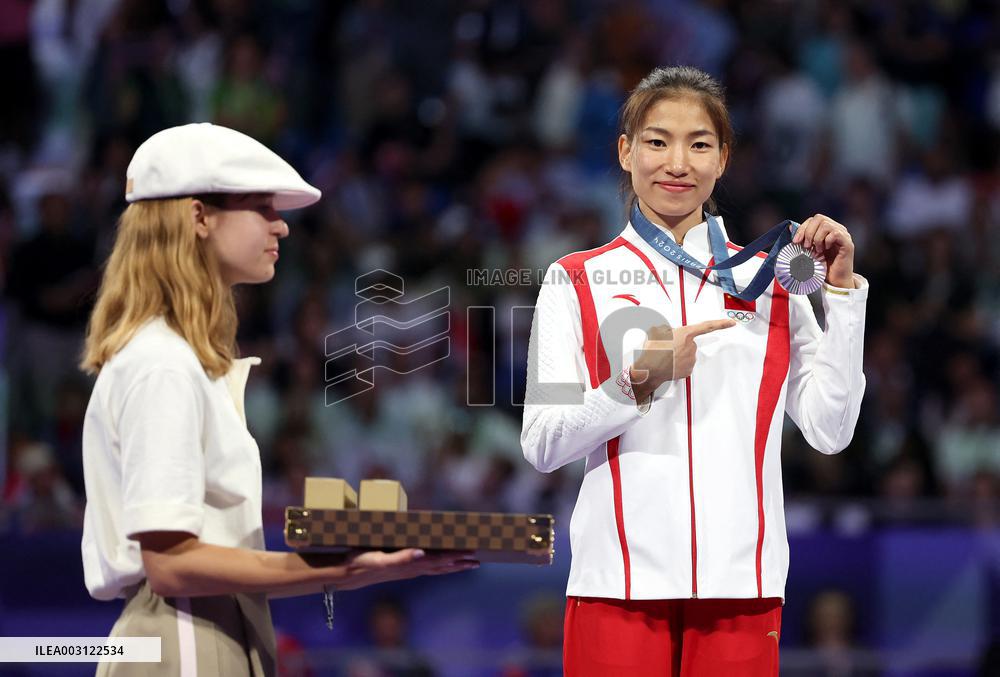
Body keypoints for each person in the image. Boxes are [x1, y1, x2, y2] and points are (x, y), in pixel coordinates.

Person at [79, 123, 478, 676]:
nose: (282, 226)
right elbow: (171, 565)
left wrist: (361, 567)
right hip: (184, 636)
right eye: (260, 207)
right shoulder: (161, 364)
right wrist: (338, 571)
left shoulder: (177, 360)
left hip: (208, 628)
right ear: (198, 217)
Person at [520, 66, 868, 676]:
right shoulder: (573, 279)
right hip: (616, 583)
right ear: (625, 152)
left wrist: (840, 297)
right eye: (657, 141)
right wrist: (635, 383)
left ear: (724, 158)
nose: (677, 162)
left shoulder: (774, 281)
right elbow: (542, 442)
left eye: (699, 143)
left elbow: (829, 430)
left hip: (742, 584)